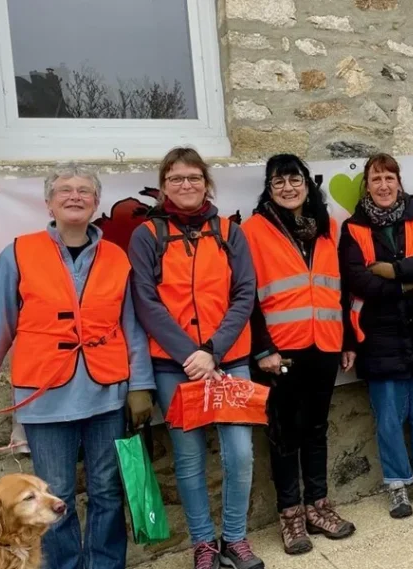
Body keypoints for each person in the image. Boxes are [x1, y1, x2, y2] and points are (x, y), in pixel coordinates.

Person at [0, 164, 154, 569]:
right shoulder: (19, 253)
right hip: (44, 397)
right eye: (64, 190)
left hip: (106, 394)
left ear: (96, 202)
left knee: (107, 488)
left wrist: (140, 386)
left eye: (84, 190)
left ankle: (105, 564)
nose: (75, 196)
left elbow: (132, 327)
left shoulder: (116, 257)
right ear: (48, 201)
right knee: (56, 493)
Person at [128, 148, 262, 569]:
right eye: (176, 178)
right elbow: (146, 302)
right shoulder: (147, 234)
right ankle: (204, 543)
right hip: (175, 367)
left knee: (240, 453)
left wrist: (213, 350)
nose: (186, 185)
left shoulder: (229, 231)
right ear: (164, 185)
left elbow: (245, 294)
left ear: (206, 182)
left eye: (193, 177)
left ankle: (235, 539)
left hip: (230, 359)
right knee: (188, 458)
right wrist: (191, 355)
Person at [241, 154, 356, 555]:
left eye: (295, 180)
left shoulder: (326, 228)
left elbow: (336, 288)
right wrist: (262, 350)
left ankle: (318, 505)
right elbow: (246, 297)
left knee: (317, 429)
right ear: (268, 189)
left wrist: (346, 340)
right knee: (284, 433)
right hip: (281, 351)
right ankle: (290, 513)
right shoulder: (252, 230)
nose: (288, 188)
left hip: (324, 343)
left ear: (308, 185)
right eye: (279, 182)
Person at [339, 153, 413, 518]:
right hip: (378, 334)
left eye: (390, 177)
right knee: (388, 416)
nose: (384, 185)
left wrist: (395, 270)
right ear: (367, 186)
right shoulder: (353, 228)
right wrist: (407, 283)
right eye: (376, 179)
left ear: (399, 182)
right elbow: (358, 279)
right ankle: (397, 485)